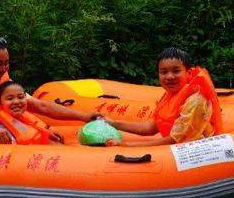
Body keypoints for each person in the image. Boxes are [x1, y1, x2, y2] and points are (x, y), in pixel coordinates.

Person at [93, 47, 224, 146]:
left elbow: (176, 140)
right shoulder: (169, 95)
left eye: (176, 71)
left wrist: (127, 145)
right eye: (164, 72)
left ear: (188, 72)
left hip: (201, 151)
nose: (169, 77)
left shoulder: (196, 100)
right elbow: (151, 128)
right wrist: (113, 123)